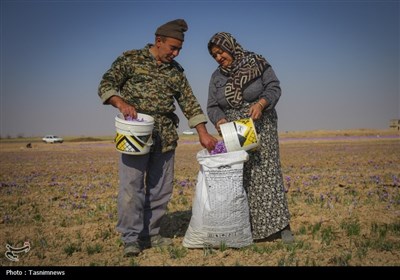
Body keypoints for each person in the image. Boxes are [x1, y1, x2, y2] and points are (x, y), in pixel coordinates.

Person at [98, 19, 218, 257]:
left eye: (179, 50)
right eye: (172, 48)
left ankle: (151, 233)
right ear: (158, 41)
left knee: (161, 189)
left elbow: (189, 102)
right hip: (135, 135)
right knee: (131, 188)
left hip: (165, 136)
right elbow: (106, 84)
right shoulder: (130, 59)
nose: (175, 53)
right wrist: (121, 102)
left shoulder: (176, 71)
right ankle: (131, 237)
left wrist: (203, 132)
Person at [206, 32, 294, 243]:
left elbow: (274, 87)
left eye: (221, 52)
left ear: (231, 46)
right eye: (214, 55)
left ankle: (282, 227)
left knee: (268, 173)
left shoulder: (257, 62)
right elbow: (212, 106)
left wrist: (262, 103)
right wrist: (219, 121)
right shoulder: (217, 76)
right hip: (235, 130)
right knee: (242, 176)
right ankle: (248, 229)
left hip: (261, 123)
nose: (219, 57)